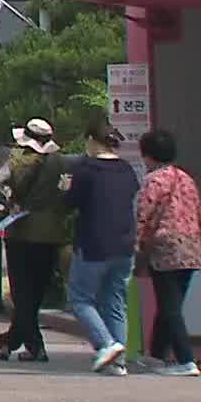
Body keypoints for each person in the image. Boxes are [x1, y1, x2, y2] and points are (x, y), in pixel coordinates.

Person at [0, 118, 68, 362]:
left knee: (22, 292)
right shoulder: (60, 162)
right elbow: (66, 193)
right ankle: (19, 343)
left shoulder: (17, 159)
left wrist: (9, 202)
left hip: (21, 231)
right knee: (36, 292)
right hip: (53, 232)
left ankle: (25, 343)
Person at [61, 119, 139, 374]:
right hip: (125, 244)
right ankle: (118, 362)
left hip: (94, 243)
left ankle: (106, 344)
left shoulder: (87, 170)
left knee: (80, 298)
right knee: (115, 302)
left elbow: (71, 203)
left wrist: (64, 189)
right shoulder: (127, 169)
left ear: (93, 141)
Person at [136, 129, 201, 377]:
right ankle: (156, 355)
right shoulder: (186, 179)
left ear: (148, 155)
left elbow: (144, 216)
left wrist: (136, 244)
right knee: (170, 303)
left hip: (166, 249)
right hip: (192, 248)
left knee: (170, 307)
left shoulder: (153, 181)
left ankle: (186, 360)